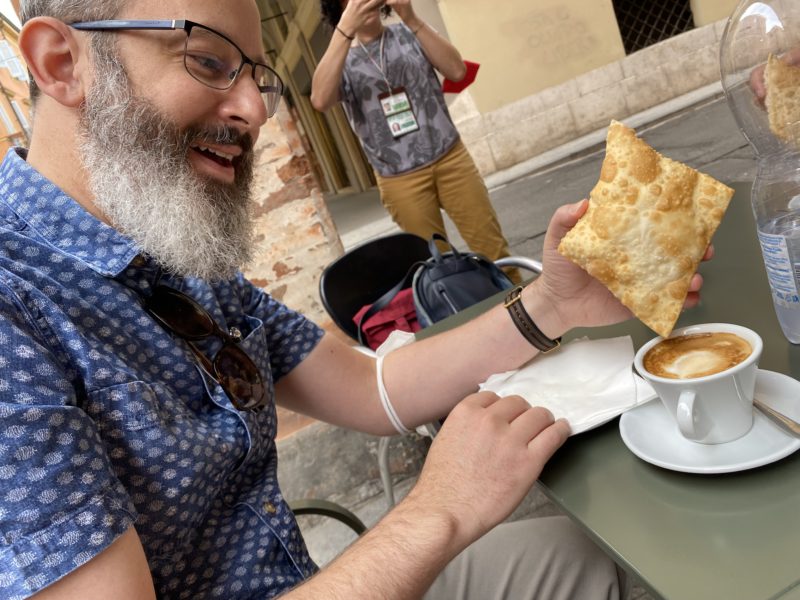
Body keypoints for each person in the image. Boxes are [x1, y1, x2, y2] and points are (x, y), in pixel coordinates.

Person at [0, 0, 709, 598]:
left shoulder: (176, 251)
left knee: (566, 557)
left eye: (254, 77)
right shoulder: (14, 315)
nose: (252, 110)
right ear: (63, 63)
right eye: (209, 61)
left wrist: (552, 304)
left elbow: (372, 387)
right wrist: (437, 512)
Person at [311, 0, 519, 279]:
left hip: (450, 158)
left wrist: (411, 17)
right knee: (438, 268)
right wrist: (344, 29)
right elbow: (320, 99)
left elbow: (457, 71)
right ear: (339, 9)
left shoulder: (410, 32)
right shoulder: (342, 60)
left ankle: (518, 307)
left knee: (494, 250)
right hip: (399, 179)